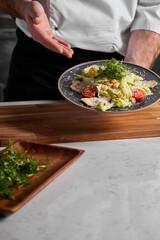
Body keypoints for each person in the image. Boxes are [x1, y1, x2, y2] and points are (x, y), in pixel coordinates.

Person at [0, 0, 160, 101]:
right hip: (38, 66)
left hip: (119, 64)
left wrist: (130, 77)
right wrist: (23, 6)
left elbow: (153, 7)